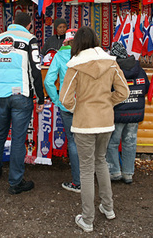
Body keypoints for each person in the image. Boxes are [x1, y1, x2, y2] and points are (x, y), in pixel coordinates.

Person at [60, 26, 129, 233]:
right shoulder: (111, 62)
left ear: (77, 43)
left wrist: (78, 108)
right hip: (106, 122)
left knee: (87, 169)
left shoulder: (75, 65)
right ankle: (108, 208)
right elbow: (123, 92)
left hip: (84, 124)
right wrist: (107, 103)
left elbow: (64, 99)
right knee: (101, 162)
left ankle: (88, 219)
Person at [0, 12, 44, 195]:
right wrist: (40, 97)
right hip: (22, 94)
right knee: (19, 139)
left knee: (0, 133)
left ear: (12, 23)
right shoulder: (30, 39)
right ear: (29, 25)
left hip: (2, 94)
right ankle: (15, 181)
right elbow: (36, 70)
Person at [106, 42, 150, 184]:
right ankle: (128, 174)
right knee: (130, 143)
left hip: (118, 114)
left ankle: (114, 172)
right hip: (134, 115)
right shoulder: (139, 68)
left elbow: (107, 90)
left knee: (112, 143)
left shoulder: (113, 69)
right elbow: (146, 88)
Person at [43, 28, 80, 193]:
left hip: (67, 104)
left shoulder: (59, 56)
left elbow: (49, 82)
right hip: (86, 104)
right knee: (88, 140)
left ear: (65, 41)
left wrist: (57, 100)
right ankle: (90, 177)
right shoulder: (86, 55)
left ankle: (77, 182)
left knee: (72, 141)